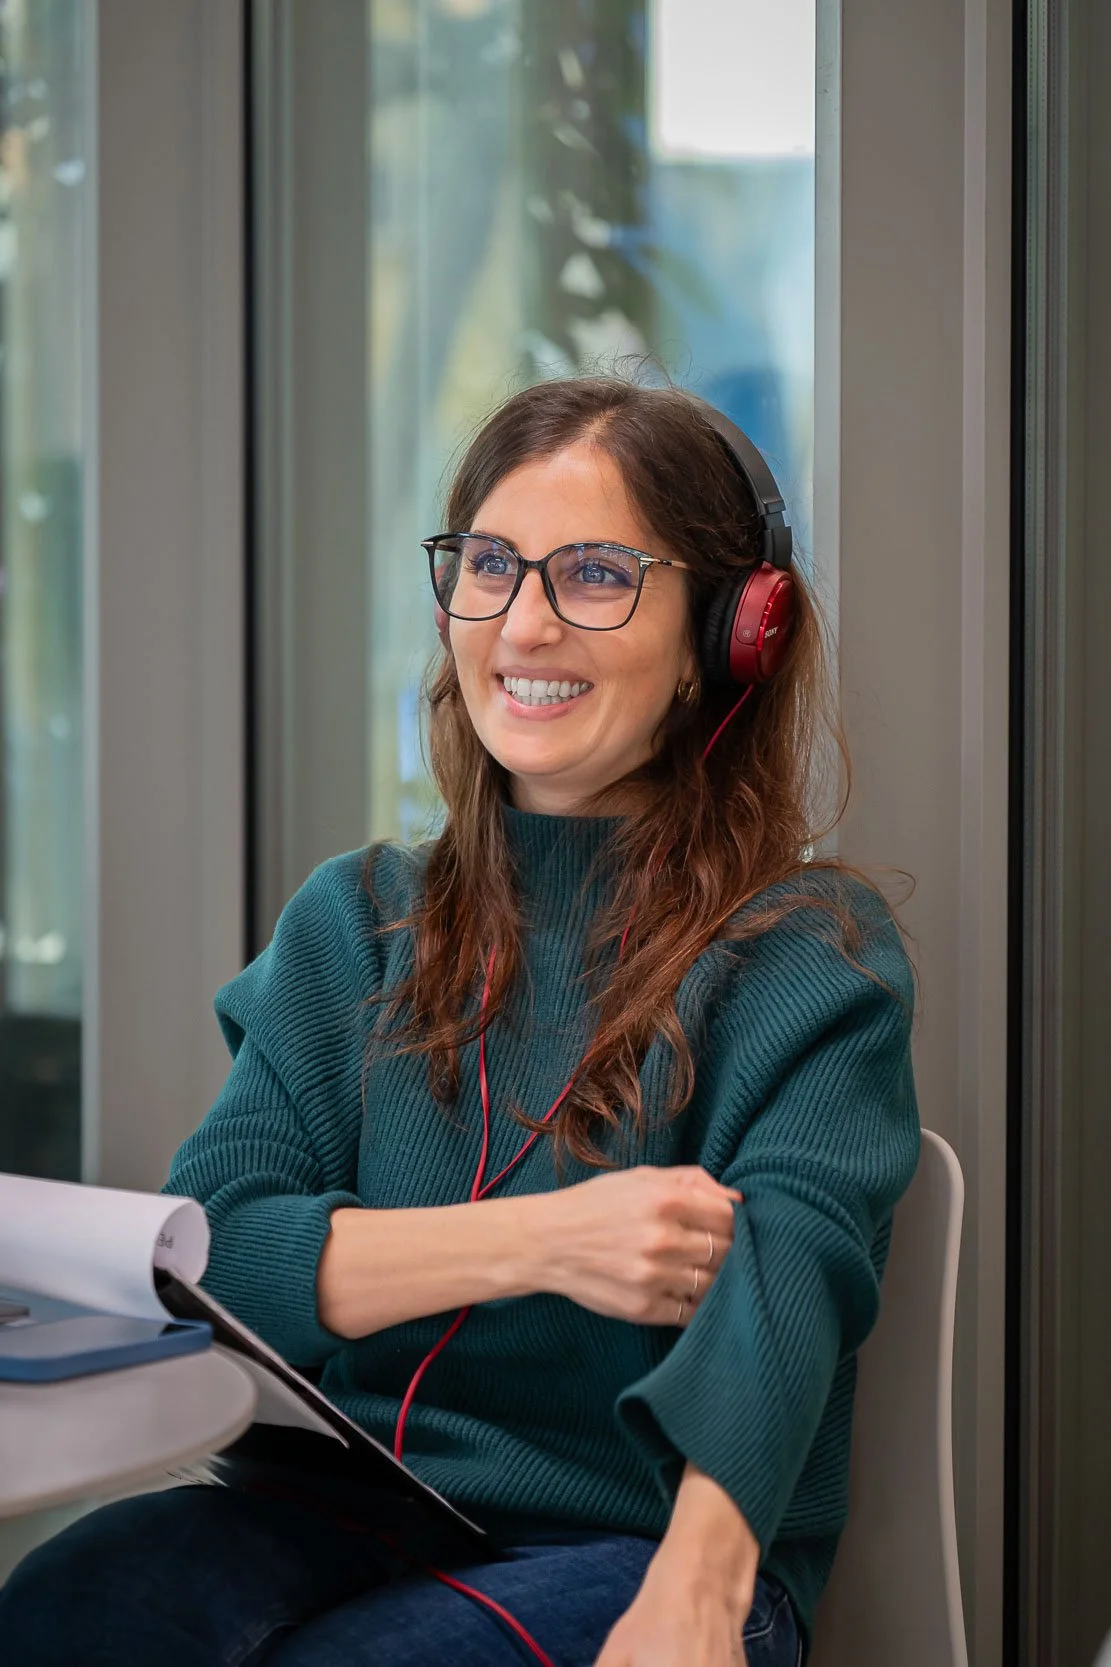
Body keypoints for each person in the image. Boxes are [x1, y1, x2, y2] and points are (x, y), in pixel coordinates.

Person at [0, 377, 920, 1666]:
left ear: (728, 634)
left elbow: (789, 1293)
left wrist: (703, 1593)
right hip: (340, 1511)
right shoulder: (356, 922)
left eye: (596, 575)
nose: (524, 626)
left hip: (643, 1548)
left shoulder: (805, 953)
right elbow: (218, 1259)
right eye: (491, 566)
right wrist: (545, 1241)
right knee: (61, 1610)